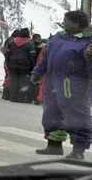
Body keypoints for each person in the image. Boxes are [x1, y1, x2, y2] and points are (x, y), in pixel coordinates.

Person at [31, 11, 92, 160]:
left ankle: (78, 149)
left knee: (77, 117)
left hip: (74, 86)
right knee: (51, 114)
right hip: (52, 82)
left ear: (77, 24)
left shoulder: (88, 41)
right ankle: (54, 145)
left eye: (67, 21)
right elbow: (47, 56)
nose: (63, 23)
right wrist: (37, 71)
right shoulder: (59, 37)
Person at [5, 28, 37, 103]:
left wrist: (8, 64)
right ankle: (21, 98)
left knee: (13, 81)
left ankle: (13, 98)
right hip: (26, 66)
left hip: (13, 65)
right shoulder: (30, 43)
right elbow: (33, 56)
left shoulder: (12, 42)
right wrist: (33, 67)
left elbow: (7, 54)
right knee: (23, 82)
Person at [2, 29, 21, 101]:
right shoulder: (12, 42)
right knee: (9, 78)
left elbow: (4, 51)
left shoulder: (8, 40)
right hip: (9, 62)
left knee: (7, 77)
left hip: (7, 61)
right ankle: (6, 94)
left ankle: (5, 93)